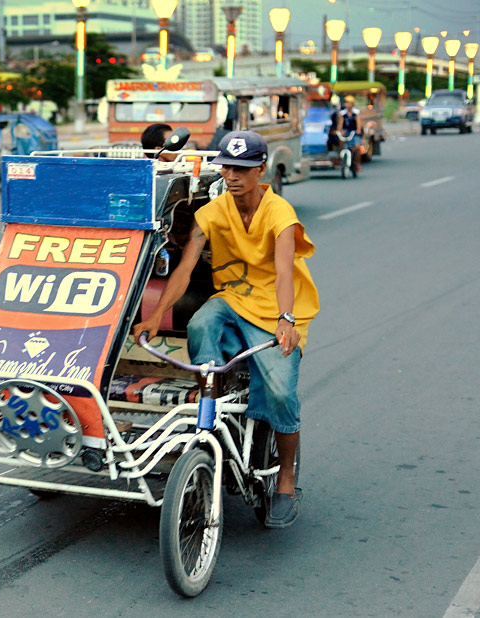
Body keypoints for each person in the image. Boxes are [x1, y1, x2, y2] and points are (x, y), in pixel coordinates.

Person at [132, 131, 319, 528]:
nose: (232, 176)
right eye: (227, 168)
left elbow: (285, 272)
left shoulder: (280, 213)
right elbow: (182, 272)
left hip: (276, 309)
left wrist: (287, 320)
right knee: (202, 320)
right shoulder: (213, 213)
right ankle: (211, 401)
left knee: (282, 391)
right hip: (234, 300)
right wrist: (154, 317)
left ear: (261, 170)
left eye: (242, 169)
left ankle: (285, 477)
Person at [336, 94, 362, 172]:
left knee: (357, 148)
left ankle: (357, 163)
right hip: (346, 132)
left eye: (348, 102)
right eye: (346, 102)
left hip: (354, 132)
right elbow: (340, 124)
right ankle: (341, 159)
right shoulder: (343, 113)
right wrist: (339, 131)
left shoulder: (356, 113)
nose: (347, 104)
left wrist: (358, 130)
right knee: (341, 143)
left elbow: (358, 123)